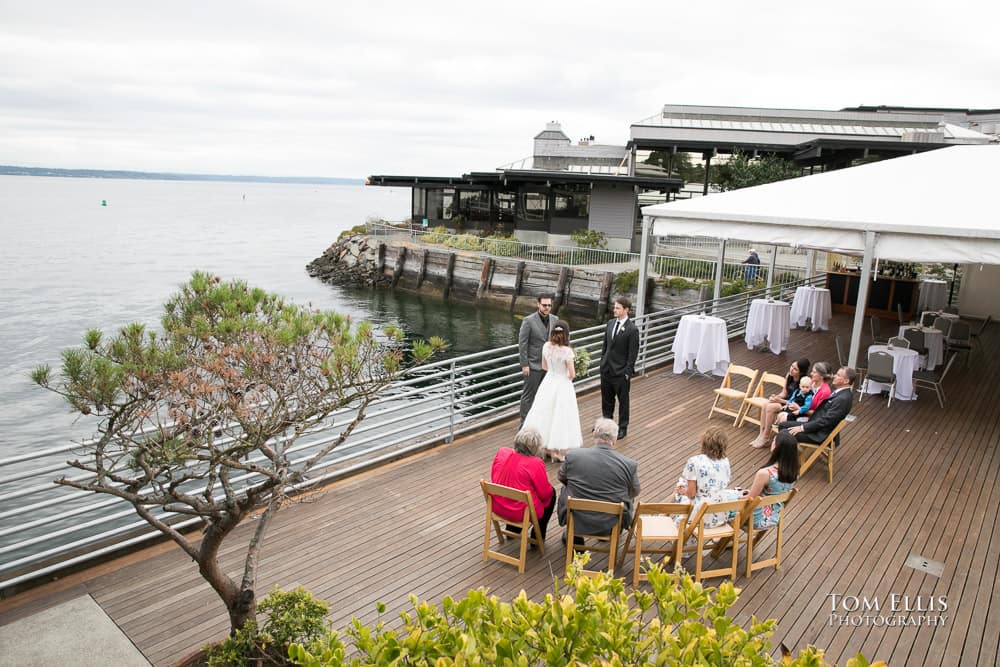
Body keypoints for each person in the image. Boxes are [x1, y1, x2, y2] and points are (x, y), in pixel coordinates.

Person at [557, 418, 640, 541]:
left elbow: (561, 478)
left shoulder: (573, 456)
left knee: (567, 488)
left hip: (578, 517)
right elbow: (634, 492)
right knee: (627, 495)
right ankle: (610, 531)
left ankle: (575, 534)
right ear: (615, 440)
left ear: (594, 435)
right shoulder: (629, 464)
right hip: (610, 520)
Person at [522, 321, 582, 461]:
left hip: (548, 382)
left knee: (544, 413)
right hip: (562, 384)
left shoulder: (546, 346)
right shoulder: (567, 351)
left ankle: (545, 447)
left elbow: (544, 366)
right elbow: (572, 374)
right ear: (566, 334)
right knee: (560, 416)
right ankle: (556, 450)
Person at [490, 429, 556, 541]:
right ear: (535, 447)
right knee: (552, 493)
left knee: (512, 487)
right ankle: (537, 537)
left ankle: (512, 531)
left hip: (497, 505)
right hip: (520, 512)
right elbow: (545, 494)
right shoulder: (535, 463)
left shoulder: (502, 452)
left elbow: (494, 477)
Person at [673, 426, 732, 528]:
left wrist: (683, 491)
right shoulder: (725, 461)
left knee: (679, 491)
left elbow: (691, 494)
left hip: (701, 514)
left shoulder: (694, 461)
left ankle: (658, 515)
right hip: (721, 511)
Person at [782, 367, 856, 444]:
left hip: (819, 434)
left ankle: (788, 454)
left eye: (838, 375)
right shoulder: (840, 393)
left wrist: (802, 428)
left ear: (846, 381)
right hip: (815, 426)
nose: (834, 376)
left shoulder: (843, 399)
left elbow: (827, 420)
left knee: (785, 432)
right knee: (782, 425)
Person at [741, 431, 799, 529]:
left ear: (776, 447)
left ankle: (720, 538)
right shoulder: (794, 473)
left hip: (755, 518)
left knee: (724, 502)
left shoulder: (765, 473)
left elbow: (749, 500)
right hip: (773, 517)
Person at [600, 297, 639, 440]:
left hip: (621, 372)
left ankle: (623, 427)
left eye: (618, 308)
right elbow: (605, 345)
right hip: (606, 370)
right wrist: (602, 362)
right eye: (614, 307)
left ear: (626, 310)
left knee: (623, 401)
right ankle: (606, 424)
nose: (614, 310)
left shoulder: (632, 329)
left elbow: (632, 354)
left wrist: (627, 373)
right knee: (606, 399)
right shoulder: (610, 323)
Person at [751, 358, 810, 448]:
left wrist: (779, 401)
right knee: (765, 404)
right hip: (784, 401)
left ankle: (766, 436)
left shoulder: (803, 383)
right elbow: (784, 393)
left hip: (792, 406)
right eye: (792, 366)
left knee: (770, 407)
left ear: (801, 373)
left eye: (795, 369)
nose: (791, 369)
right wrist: (776, 397)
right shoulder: (789, 376)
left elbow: (795, 402)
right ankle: (761, 434)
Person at [518, 294, 556, 424]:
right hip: (533, 365)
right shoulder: (528, 321)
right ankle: (524, 423)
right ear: (538, 304)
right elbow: (522, 344)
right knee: (528, 396)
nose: (547, 308)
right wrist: (524, 364)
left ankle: (539, 421)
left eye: (549, 305)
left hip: (550, 366)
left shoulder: (555, 319)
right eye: (544, 305)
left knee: (544, 395)